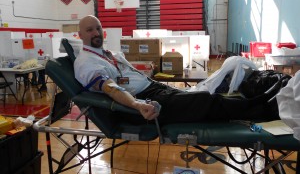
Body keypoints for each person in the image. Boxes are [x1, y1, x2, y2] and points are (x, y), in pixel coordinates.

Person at [74, 15, 280, 125]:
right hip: (142, 106)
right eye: (90, 29)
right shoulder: (87, 63)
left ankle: (257, 97)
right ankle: (265, 109)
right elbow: (110, 88)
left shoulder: (108, 53)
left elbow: (125, 76)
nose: (96, 32)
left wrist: (147, 72)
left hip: (153, 89)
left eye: (98, 27)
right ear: (80, 35)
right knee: (205, 101)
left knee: (205, 91)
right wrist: (137, 105)